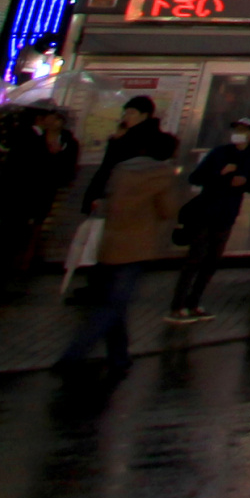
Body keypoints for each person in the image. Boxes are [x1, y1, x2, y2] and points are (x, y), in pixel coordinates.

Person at [58, 130, 179, 374]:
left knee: (114, 302)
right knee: (113, 306)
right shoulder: (162, 174)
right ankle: (74, 354)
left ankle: (119, 355)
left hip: (110, 242)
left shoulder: (122, 169)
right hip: (136, 247)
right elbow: (166, 210)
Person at [171, 119, 250, 320]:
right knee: (194, 258)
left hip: (227, 213)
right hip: (206, 211)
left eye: (243, 130)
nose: (238, 133)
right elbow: (196, 178)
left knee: (212, 260)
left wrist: (245, 181)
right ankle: (178, 306)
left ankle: (194, 302)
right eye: (236, 129)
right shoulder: (219, 153)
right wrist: (219, 174)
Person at [0, 107, 79, 281]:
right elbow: (21, 166)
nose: (54, 123)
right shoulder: (27, 137)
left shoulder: (67, 141)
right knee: (7, 237)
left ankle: (10, 271)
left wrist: (56, 157)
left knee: (21, 235)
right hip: (17, 196)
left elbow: (66, 170)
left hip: (41, 195)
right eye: (52, 118)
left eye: (58, 119)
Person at [82, 97, 169, 210]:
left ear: (144, 115)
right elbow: (106, 168)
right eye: (125, 113)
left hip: (133, 198)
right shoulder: (122, 137)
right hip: (117, 196)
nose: (126, 117)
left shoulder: (159, 141)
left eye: (132, 113)